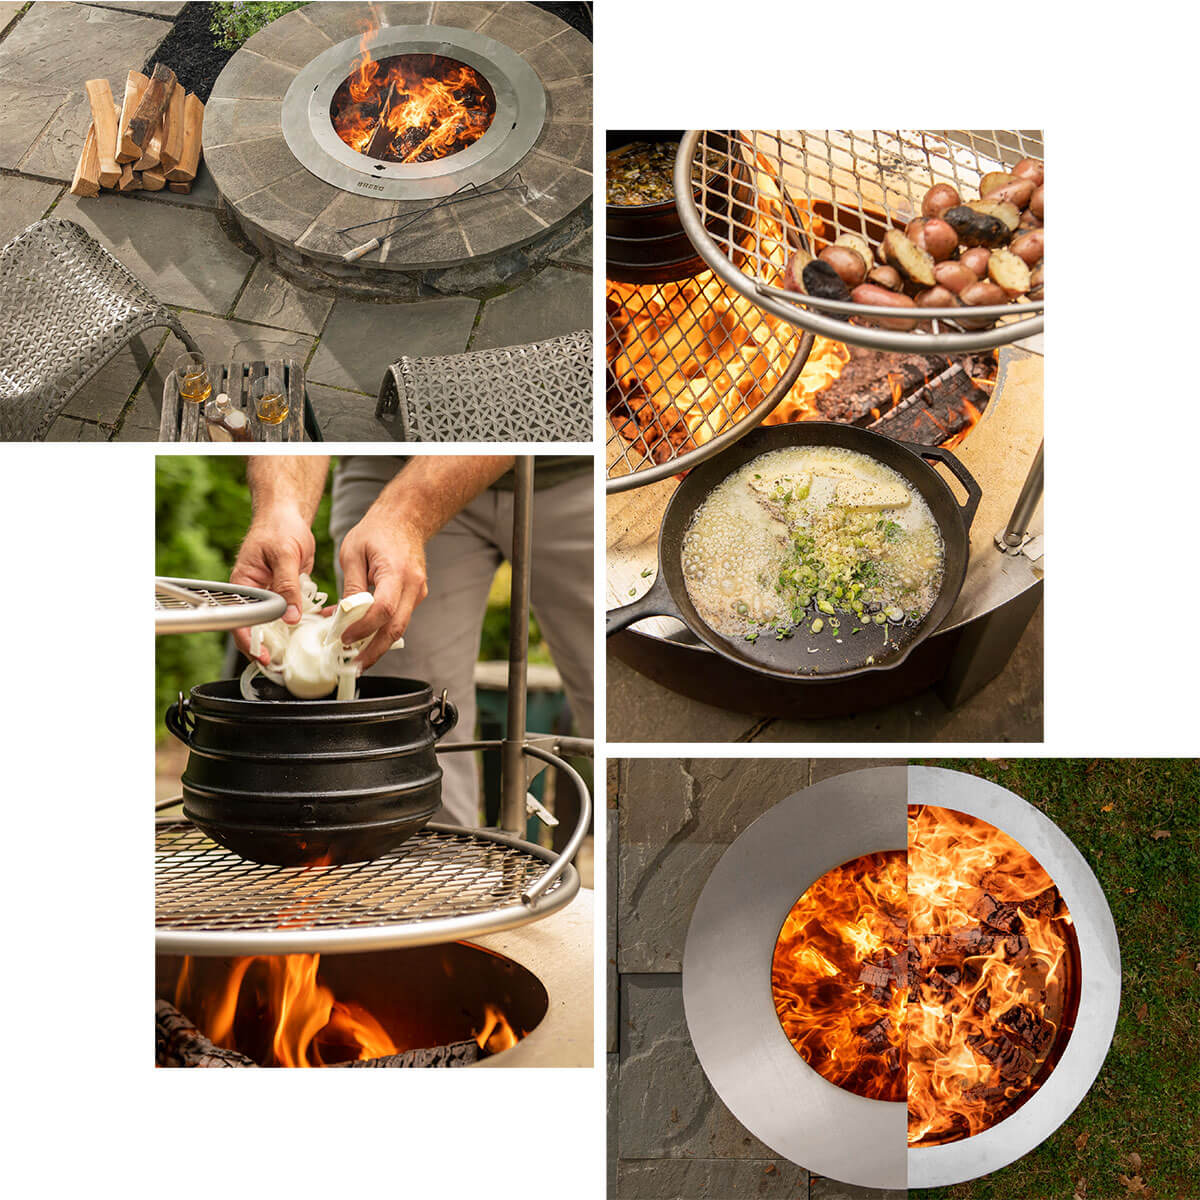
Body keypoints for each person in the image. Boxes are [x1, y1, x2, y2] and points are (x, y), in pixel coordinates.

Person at [231, 454, 592, 826]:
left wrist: (406, 513)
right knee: (413, 737)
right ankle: (439, 874)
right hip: (391, 468)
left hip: (574, 475)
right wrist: (281, 507)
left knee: (620, 700)